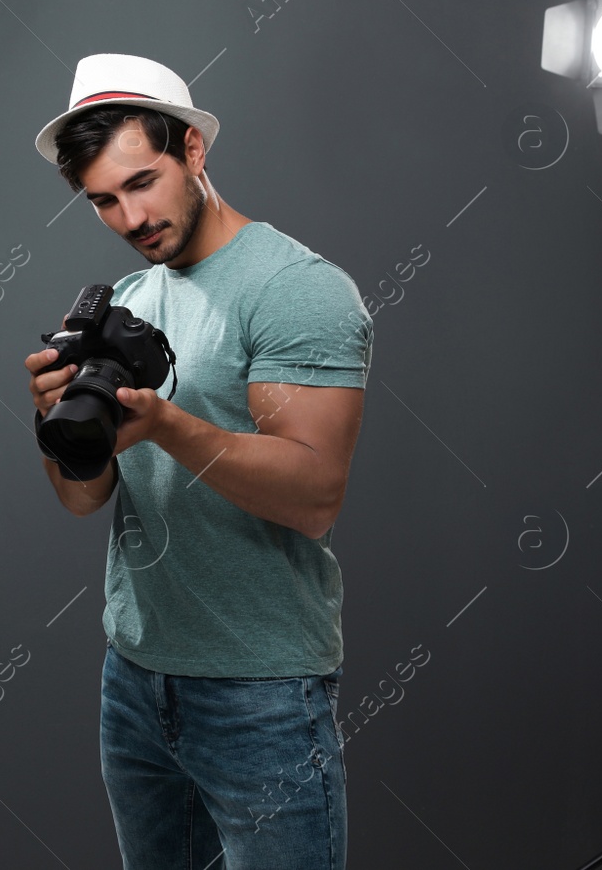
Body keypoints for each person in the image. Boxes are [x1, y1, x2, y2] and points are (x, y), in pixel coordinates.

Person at [23, 53, 374, 869]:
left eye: (142, 181)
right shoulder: (131, 302)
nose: (129, 217)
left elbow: (315, 494)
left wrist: (167, 425)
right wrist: (53, 420)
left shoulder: (294, 288)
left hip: (261, 691)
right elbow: (85, 500)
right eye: (103, 200)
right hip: (136, 679)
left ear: (193, 151)